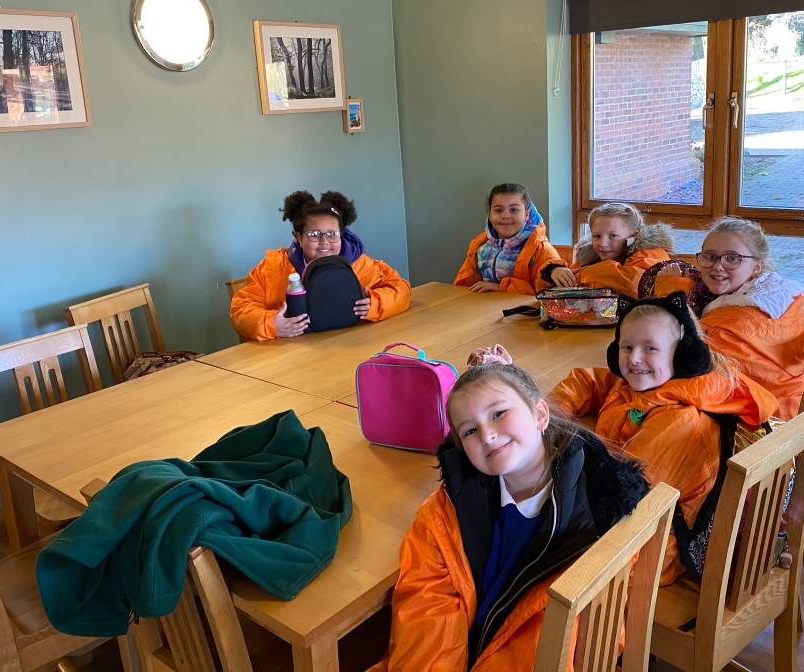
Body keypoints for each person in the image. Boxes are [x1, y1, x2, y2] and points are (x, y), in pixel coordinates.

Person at [370, 362, 649, 671]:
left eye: (498, 413)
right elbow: (426, 616)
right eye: (470, 431)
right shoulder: (445, 514)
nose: (487, 435)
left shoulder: (598, 516)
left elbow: (566, 644)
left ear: (540, 414)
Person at [546, 292, 778, 584]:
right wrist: (549, 415)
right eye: (626, 347)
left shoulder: (680, 421)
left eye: (650, 348)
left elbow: (623, 494)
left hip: (648, 550)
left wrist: (559, 451)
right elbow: (588, 381)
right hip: (621, 523)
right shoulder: (648, 387)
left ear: (683, 356)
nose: (635, 358)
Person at [654, 216, 804, 420]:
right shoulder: (774, 295)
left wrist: (669, 295)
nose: (717, 266)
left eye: (733, 258)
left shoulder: (740, 319)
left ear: (757, 267)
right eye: (710, 256)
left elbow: (676, 360)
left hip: (760, 423)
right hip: (782, 403)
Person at [230, 190, 411, 340]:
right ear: (299, 237)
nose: (324, 242)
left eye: (332, 234)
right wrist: (272, 324)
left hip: (350, 343)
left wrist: (375, 303)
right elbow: (240, 309)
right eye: (314, 234)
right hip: (291, 353)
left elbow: (400, 288)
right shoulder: (274, 268)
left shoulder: (359, 264)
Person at [537, 201, 674, 296]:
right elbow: (545, 290)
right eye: (597, 236)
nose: (603, 244)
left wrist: (583, 274)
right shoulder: (589, 257)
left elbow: (636, 284)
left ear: (632, 236)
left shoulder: (651, 254)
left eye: (613, 236)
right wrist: (553, 271)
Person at [454, 182, 561, 295]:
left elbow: (543, 294)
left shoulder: (540, 249)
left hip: (522, 306)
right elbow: (465, 284)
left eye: (513, 210)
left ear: (526, 215)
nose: (505, 216)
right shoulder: (479, 246)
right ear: (490, 215)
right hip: (484, 304)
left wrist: (500, 287)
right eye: (498, 210)